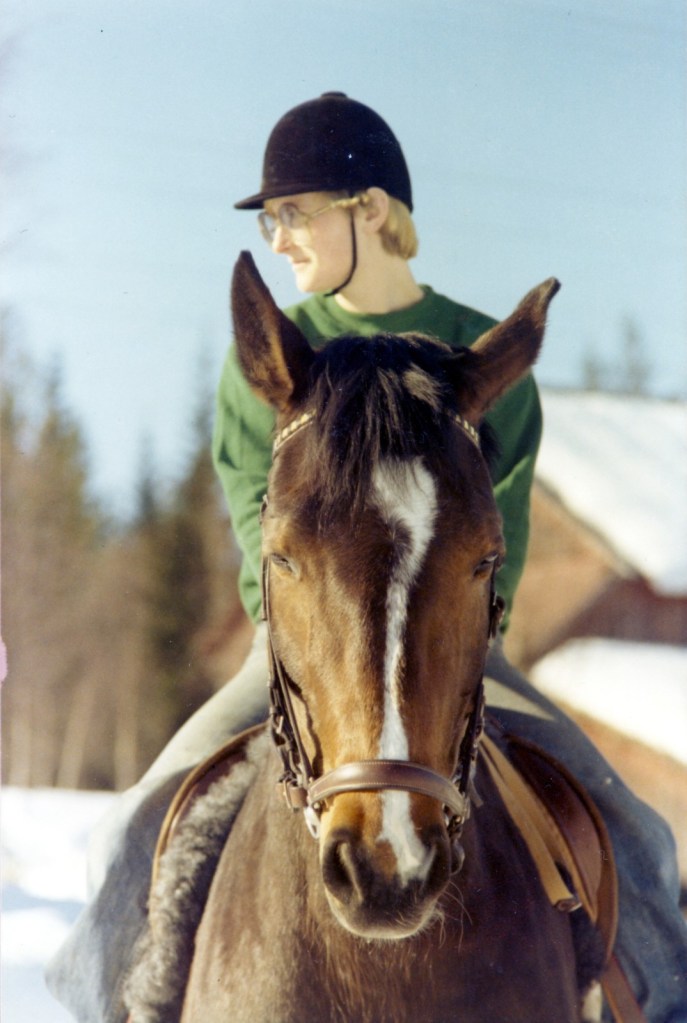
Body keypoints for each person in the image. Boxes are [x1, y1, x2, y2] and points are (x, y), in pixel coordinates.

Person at [47, 92, 687, 1023]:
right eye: (269, 221)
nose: (279, 238)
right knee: (128, 833)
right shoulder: (265, 362)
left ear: (371, 210)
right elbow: (264, 537)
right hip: (298, 650)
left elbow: (492, 545)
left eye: (293, 212)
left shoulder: (485, 362)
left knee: (639, 834)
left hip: (459, 653)